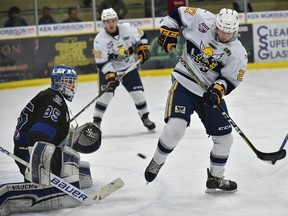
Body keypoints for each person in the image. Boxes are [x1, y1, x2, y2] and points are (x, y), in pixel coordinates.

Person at [144, 7, 248, 193]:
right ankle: (157, 162)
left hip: (208, 94)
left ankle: (216, 177)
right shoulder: (203, 19)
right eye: (221, 29)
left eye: (228, 32)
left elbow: (231, 80)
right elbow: (177, 14)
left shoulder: (238, 53)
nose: (224, 35)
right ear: (216, 24)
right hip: (184, 82)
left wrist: (217, 90)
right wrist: (169, 30)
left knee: (225, 138)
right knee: (175, 128)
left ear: (235, 30)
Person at [4, 65, 102, 214]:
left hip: (29, 150)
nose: (72, 85)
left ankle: (51, 175)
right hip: (30, 154)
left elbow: (51, 130)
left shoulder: (55, 98)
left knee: (70, 156)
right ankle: (40, 183)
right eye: (68, 81)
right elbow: (39, 133)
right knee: (68, 162)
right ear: (57, 82)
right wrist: (42, 160)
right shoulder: (54, 100)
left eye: (72, 82)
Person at [93, 8, 156, 131]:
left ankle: (145, 117)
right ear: (103, 23)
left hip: (129, 67)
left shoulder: (127, 28)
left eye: (112, 21)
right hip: (110, 70)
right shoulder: (99, 39)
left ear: (116, 20)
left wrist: (143, 47)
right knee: (105, 96)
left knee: (139, 95)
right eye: (107, 22)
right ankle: (96, 121)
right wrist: (110, 75)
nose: (110, 24)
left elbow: (142, 35)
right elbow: (101, 62)